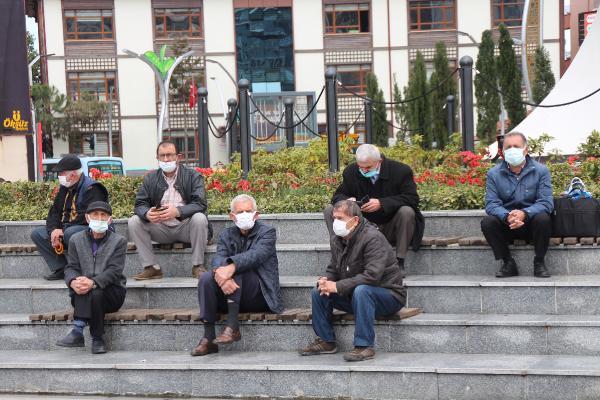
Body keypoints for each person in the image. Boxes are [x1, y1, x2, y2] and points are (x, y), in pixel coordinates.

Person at [300, 200, 405, 362]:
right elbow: (334, 267)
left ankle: (364, 346)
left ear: (355, 220)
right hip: (356, 295)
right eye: (334, 218)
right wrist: (326, 280)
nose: (336, 222)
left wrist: (338, 286)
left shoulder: (373, 238)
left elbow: (372, 276)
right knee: (319, 291)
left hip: (388, 295)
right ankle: (326, 341)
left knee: (362, 290)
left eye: (340, 218)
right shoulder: (338, 238)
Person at [191, 194, 283, 356]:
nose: (245, 215)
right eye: (240, 212)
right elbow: (218, 258)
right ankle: (208, 338)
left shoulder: (268, 232)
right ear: (232, 216)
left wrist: (231, 269)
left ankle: (233, 327)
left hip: (260, 294)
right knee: (205, 278)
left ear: (256, 214)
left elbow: (256, 255)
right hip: (230, 294)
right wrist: (223, 277)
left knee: (238, 270)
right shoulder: (226, 234)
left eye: (248, 211)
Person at [325, 144, 424, 269]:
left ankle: (399, 261)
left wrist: (381, 203)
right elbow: (338, 195)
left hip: (390, 225)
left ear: (379, 161)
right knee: (330, 209)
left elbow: (412, 198)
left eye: (368, 167)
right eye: (361, 167)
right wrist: (347, 201)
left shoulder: (401, 171)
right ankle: (339, 259)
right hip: (361, 226)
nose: (364, 171)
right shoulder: (352, 171)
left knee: (407, 211)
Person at [128, 140, 210, 280]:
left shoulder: (193, 176)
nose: (166, 159)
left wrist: (178, 211)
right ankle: (151, 267)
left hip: (186, 227)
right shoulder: (150, 178)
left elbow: (200, 203)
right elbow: (140, 204)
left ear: (178, 157)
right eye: (162, 156)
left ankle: (198, 266)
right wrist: (147, 214)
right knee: (134, 221)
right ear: (157, 158)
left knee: (200, 218)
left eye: (170, 155)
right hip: (160, 228)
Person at [56, 201, 127, 354]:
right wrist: (73, 281)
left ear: (109, 219)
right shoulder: (75, 239)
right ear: (87, 218)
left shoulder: (119, 241)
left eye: (103, 215)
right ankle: (97, 339)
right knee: (86, 288)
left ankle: (78, 330)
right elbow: (71, 267)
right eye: (95, 214)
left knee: (94, 290)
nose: (99, 218)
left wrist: (93, 282)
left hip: (112, 293)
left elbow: (114, 270)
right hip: (83, 291)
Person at [481, 131, 553, 278]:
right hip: (508, 223)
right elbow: (491, 203)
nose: (512, 149)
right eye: (508, 147)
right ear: (502, 151)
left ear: (525, 149)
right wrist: (507, 216)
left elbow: (546, 202)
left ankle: (539, 262)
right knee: (487, 222)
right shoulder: (493, 174)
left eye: (516, 146)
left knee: (544, 218)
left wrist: (525, 213)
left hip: (532, 224)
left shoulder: (541, 171)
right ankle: (507, 263)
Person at [30, 155, 108, 280]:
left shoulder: (92, 188)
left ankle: (81, 270)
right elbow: (54, 213)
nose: (59, 176)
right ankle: (62, 268)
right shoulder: (64, 188)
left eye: (62, 173)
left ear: (72, 175)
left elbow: (89, 216)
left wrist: (63, 231)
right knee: (37, 234)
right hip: (66, 229)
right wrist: (53, 231)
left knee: (70, 233)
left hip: (90, 230)